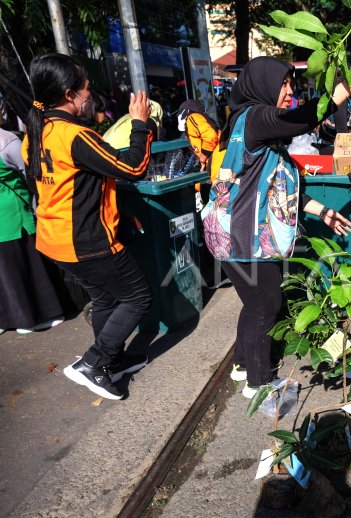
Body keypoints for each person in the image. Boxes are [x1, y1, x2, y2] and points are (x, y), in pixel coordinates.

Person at [212, 56, 351, 399]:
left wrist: (321, 210)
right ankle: (258, 383)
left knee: (255, 302)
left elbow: (278, 185)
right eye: (283, 84)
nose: (289, 91)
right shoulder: (256, 117)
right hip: (241, 236)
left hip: (237, 233)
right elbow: (304, 118)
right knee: (266, 303)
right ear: (263, 84)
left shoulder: (249, 122)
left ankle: (241, 365)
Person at [22, 53, 154, 400]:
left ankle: (113, 360)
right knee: (138, 297)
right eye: (86, 89)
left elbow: (77, 188)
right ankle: (94, 363)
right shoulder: (75, 135)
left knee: (106, 297)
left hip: (54, 239)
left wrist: (119, 214)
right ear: (69, 94)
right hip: (86, 241)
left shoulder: (35, 133)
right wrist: (140, 123)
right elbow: (132, 167)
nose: (89, 95)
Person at [0, 128, 64, 335]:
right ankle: (10, 318)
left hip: (13, 217)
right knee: (9, 271)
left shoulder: (7, 141)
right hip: (9, 217)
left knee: (22, 267)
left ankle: (41, 315)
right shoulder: (7, 141)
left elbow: (34, 172)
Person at [177, 99, 220, 171]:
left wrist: (203, 157)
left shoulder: (192, 117)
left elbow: (210, 136)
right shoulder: (200, 117)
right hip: (215, 160)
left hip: (217, 161)